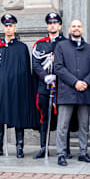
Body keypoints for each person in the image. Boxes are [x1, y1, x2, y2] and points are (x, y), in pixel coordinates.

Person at [0, 14, 38, 158]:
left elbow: (25, 70)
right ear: (4, 28)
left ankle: (19, 147)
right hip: (1, 89)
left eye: (11, 26)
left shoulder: (22, 48)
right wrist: (0, 79)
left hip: (17, 89)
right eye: (6, 26)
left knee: (18, 116)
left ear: (15, 27)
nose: (9, 28)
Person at [53, 20, 90, 166]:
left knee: (84, 125)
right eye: (74, 26)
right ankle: (61, 153)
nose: (76, 28)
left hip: (85, 91)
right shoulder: (61, 46)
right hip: (67, 91)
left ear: (82, 29)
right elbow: (58, 67)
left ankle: (83, 152)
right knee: (63, 125)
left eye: (79, 26)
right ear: (69, 29)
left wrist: (86, 82)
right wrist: (75, 82)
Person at [31, 12, 70, 159]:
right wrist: (44, 76)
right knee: (44, 117)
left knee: (63, 119)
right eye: (50, 23)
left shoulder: (66, 43)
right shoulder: (40, 44)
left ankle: (64, 149)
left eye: (55, 23)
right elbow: (35, 63)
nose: (52, 25)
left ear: (60, 25)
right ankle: (44, 147)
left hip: (62, 87)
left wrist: (58, 77)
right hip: (44, 86)